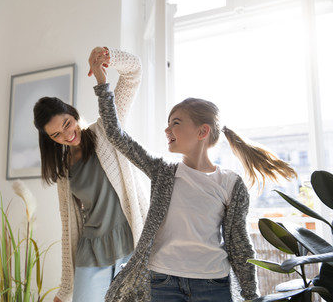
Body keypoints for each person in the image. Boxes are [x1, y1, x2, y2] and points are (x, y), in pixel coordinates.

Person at [89, 49, 298, 302]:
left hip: (213, 284)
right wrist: (102, 82)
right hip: (161, 281)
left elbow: (239, 244)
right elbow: (115, 135)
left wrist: (251, 295)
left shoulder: (230, 184)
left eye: (175, 122)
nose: (167, 129)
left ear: (202, 131)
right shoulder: (163, 171)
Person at [33, 47, 149, 302]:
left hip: (129, 241)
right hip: (91, 250)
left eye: (67, 124)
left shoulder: (106, 131)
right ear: (50, 139)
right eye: (56, 134)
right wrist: (65, 290)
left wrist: (107, 61)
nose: (66, 135)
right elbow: (70, 226)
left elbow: (134, 73)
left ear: (73, 115)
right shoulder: (64, 172)